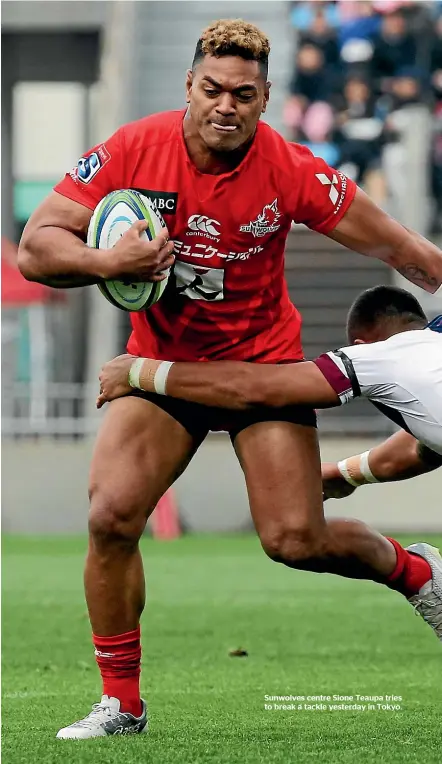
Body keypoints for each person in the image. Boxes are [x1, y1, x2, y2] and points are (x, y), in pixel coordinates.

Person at [18, 18, 442, 739]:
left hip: (262, 371)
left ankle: (416, 573)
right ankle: (122, 704)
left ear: (267, 97)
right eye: (212, 88)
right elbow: (36, 246)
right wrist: (104, 263)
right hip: (162, 368)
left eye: (244, 94)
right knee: (109, 517)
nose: (226, 105)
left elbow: (403, 248)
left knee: (294, 542)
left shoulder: (292, 170)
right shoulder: (132, 149)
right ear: (188, 85)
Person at [97, 285, 442, 634]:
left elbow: (256, 388)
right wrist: (345, 474)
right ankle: (418, 574)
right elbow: (422, 447)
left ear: (360, 345)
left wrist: (139, 373)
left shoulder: (375, 358)